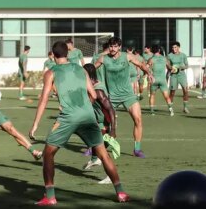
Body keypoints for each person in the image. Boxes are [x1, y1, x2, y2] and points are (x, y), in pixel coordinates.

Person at [30, 41, 129, 205]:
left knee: (48, 154)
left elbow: (44, 99)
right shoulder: (81, 69)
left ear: (53, 56)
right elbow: (94, 95)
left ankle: (50, 196)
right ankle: (121, 193)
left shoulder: (51, 72)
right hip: (88, 116)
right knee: (103, 155)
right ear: (68, 54)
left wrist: (35, 124)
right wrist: (83, 108)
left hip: (68, 118)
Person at [94, 37, 151, 157]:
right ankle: (95, 148)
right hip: (111, 97)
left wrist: (149, 73)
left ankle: (137, 149)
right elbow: (91, 69)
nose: (112, 49)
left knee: (138, 119)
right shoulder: (103, 58)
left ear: (119, 47)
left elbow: (141, 65)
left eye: (115, 46)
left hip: (128, 95)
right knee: (104, 125)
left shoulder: (127, 56)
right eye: (111, 46)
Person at [81, 63, 119, 180]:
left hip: (104, 125)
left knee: (102, 152)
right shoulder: (92, 87)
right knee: (94, 144)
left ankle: (110, 176)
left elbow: (110, 109)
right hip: (98, 123)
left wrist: (113, 130)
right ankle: (94, 159)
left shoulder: (98, 91)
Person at [147, 45, 174, 116]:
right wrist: (173, 68)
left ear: (152, 51)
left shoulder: (151, 59)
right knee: (166, 96)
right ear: (159, 50)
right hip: (162, 80)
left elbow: (147, 68)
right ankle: (171, 110)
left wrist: (149, 75)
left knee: (152, 95)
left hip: (154, 80)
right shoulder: (164, 58)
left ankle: (152, 111)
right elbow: (170, 68)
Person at [167, 41, 190, 114]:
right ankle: (170, 108)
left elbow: (187, 65)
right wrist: (171, 68)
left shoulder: (183, 55)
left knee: (185, 90)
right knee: (172, 93)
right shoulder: (169, 55)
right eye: (173, 47)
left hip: (182, 75)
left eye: (175, 47)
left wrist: (180, 68)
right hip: (173, 75)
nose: (174, 49)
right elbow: (167, 65)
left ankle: (185, 107)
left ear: (178, 48)